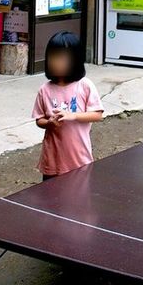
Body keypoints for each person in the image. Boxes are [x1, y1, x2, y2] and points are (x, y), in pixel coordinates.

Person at [31, 31, 104, 180]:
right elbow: (39, 120)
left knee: (78, 199)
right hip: (53, 160)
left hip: (79, 159)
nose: (57, 62)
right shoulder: (45, 90)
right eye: (53, 57)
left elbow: (97, 114)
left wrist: (73, 115)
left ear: (75, 60)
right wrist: (49, 123)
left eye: (62, 58)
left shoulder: (84, 86)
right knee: (51, 199)